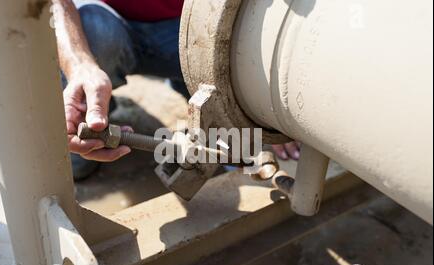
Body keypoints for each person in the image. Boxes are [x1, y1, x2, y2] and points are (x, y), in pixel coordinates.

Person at [52, 0, 300, 180]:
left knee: (241, 144)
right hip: (116, 23)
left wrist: (265, 98)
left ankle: (189, 84)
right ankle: (96, 109)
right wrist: (81, 65)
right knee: (94, 30)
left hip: (196, 27)